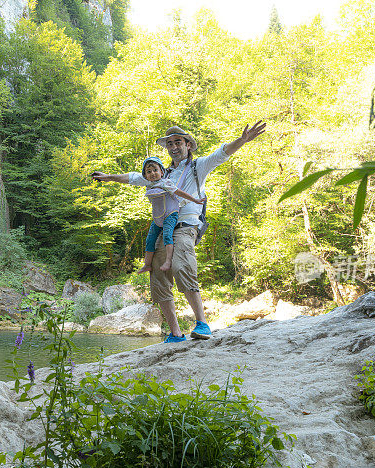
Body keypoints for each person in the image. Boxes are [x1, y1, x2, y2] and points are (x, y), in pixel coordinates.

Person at [93, 122, 266, 343]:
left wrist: (242, 140)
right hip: (164, 229)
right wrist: (108, 176)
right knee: (157, 274)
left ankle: (202, 324)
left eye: (178, 142)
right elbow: (133, 177)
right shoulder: (161, 172)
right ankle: (175, 333)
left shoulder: (198, 167)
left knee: (181, 266)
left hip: (185, 227)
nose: (174, 147)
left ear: (188, 145)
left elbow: (221, 154)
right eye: (170, 144)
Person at [93, 156, 204, 274]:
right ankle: (147, 264)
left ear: (162, 172)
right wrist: (106, 177)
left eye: (155, 170)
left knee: (167, 236)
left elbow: (179, 192)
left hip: (170, 214)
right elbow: (130, 177)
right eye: (149, 171)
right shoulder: (148, 184)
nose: (153, 173)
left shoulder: (166, 182)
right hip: (157, 216)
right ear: (145, 175)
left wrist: (195, 200)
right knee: (150, 239)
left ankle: (168, 261)